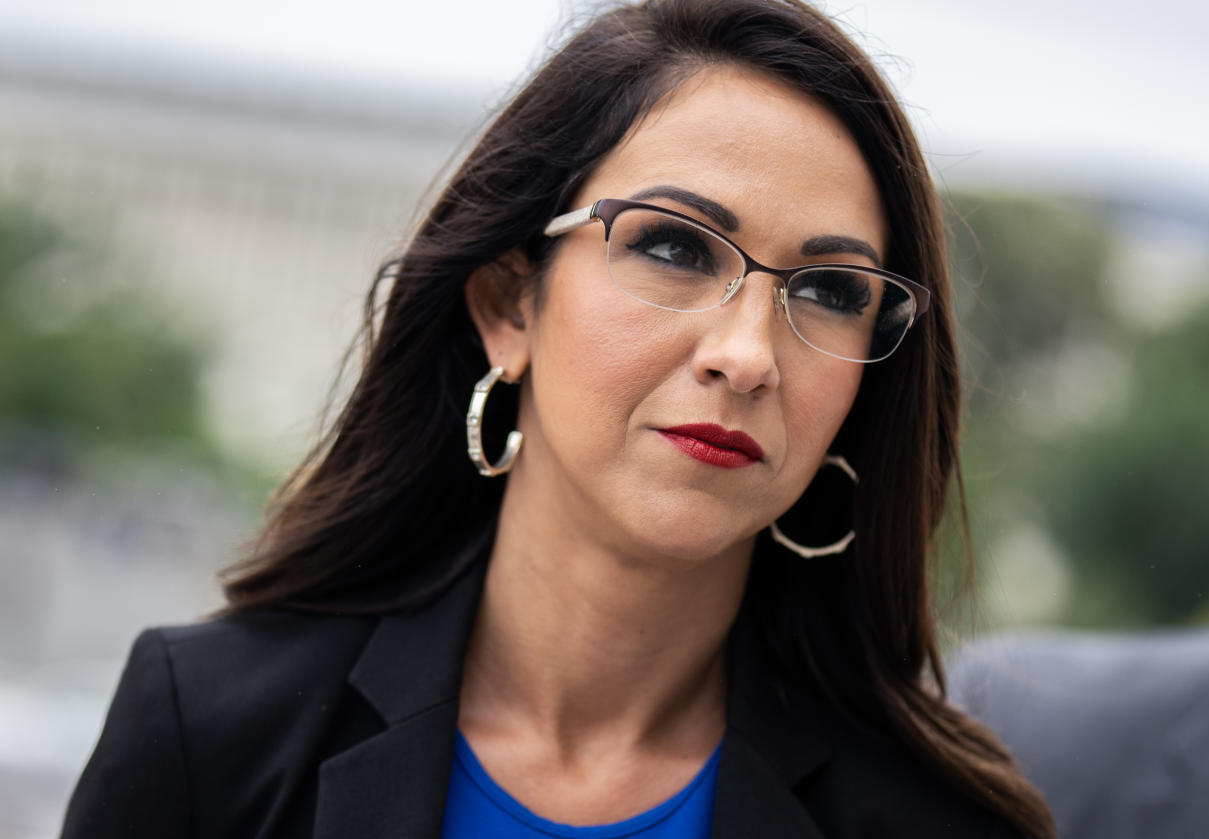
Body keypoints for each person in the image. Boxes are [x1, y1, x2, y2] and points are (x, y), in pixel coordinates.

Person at [62, 1, 1054, 836]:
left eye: (832, 289)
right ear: (509, 303)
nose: (748, 354)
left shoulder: (932, 819)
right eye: (674, 247)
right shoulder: (211, 731)